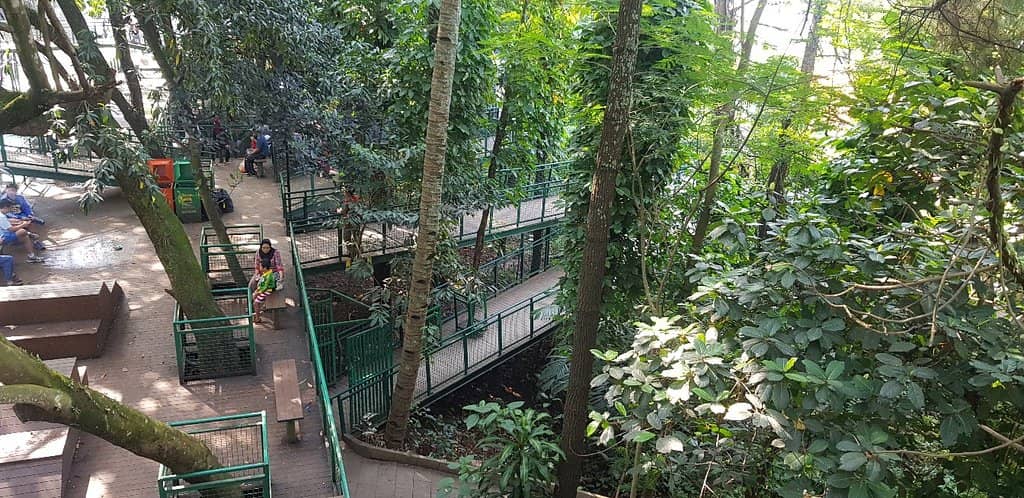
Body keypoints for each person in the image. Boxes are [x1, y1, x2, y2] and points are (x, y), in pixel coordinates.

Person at [249, 239, 284, 324]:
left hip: (273, 272)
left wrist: (281, 277)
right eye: (264, 248)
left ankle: (260, 306)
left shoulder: (275, 253)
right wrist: (257, 274)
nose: (265, 249)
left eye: (267, 247)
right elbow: (257, 266)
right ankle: (252, 306)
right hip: (262, 272)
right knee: (251, 285)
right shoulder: (258, 253)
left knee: (265, 286)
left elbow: (279, 266)